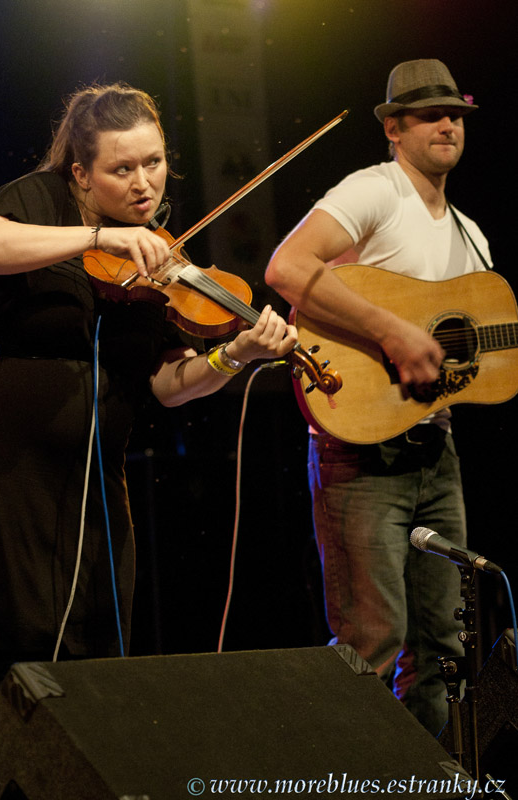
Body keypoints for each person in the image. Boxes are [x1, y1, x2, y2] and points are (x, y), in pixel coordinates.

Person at [0, 83, 298, 706]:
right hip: (11, 470)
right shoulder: (41, 201)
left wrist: (235, 355)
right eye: (120, 169)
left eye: (152, 162)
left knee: (101, 639)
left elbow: (168, 386)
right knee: (19, 638)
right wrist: (96, 240)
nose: (142, 183)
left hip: (98, 475)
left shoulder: (163, 256)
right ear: (80, 172)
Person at [266, 59, 491, 735]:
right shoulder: (372, 192)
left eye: (454, 112)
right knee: (370, 644)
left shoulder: (470, 236)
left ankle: (432, 782)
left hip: (434, 449)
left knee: (443, 650)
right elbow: (286, 267)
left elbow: (475, 353)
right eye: (427, 113)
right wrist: (393, 332)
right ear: (393, 127)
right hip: (357, 454)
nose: (446, 123)